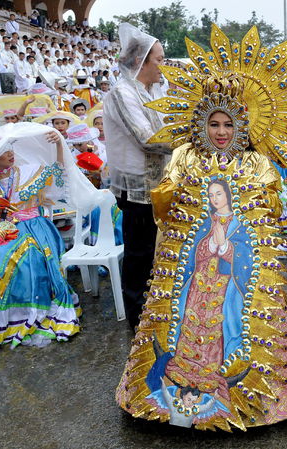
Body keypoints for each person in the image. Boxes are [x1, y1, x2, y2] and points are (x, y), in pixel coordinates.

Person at [116, 27, 287, 431]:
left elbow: (271, 210)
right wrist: (184, 193)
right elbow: (166, 208)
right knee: (187, 320)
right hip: (192, 266)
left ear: (242, 125)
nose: (221, 132)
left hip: (238, 269)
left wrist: (250, 209)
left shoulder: (257, 162)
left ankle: (245, 396)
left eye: (228, 124)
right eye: (214, 124)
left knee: (235, 323)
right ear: (202, 124)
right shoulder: (185, 156)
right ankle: (178, 392)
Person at [0, 121, 100, 356]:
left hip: (34, 228)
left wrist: (59, 145)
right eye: (3, 152)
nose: (10, 154)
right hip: (0, 230)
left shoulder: (29, 171)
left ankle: (21, 313)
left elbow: (60, 175)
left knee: (22, 258)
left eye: (10, 149)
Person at [103, 23, 170, 329]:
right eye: (159, 59)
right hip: (137, 188)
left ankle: (157, 308)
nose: (163, 65)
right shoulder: (122, 92)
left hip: (159, 184)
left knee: (158, 249)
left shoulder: (152, 90)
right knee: (140, 253)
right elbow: (147, 138)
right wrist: (193, 139)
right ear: (142, 62)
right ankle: (138, 317)